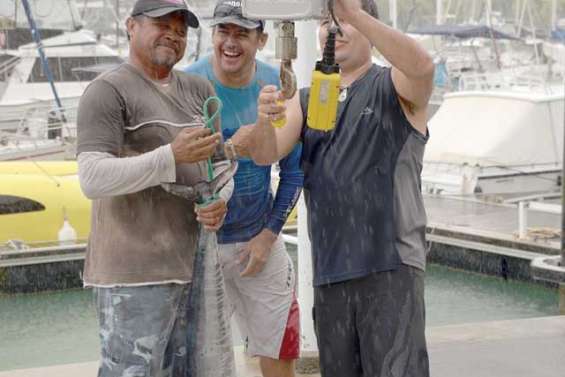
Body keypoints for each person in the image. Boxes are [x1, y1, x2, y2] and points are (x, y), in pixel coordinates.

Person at [249, 0, 435, 376]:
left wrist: (355, 14)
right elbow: (265, 153)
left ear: (368, 27)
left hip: (390, 270)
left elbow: (423, 67)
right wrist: (264, 120)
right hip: (331, 275)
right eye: (325, 21)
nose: (334, 28)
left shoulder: (393, 85)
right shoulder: (305, 98)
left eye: (343, 20)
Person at [76, 0, 235, 375]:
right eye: (162, 23)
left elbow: (222, 166)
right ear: (131, 26)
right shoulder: (107, 91)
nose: (174, 35)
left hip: (194, 270)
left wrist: (219, 200)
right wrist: (170, 156)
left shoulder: (199, 89)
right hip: (134, 275)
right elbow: (92, 177)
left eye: (181, 29)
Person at [184, 2, 304, 377]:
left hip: (259, 239)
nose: (230, 42)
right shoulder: (189, 84)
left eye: (241, 33)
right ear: (213, 35)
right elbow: (180, 167)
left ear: (261, 39)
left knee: (282, 350)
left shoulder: (278, 86)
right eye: (223, 31)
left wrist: (268, 237)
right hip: (201, 247)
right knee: (197, 361)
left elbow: (294, 171)